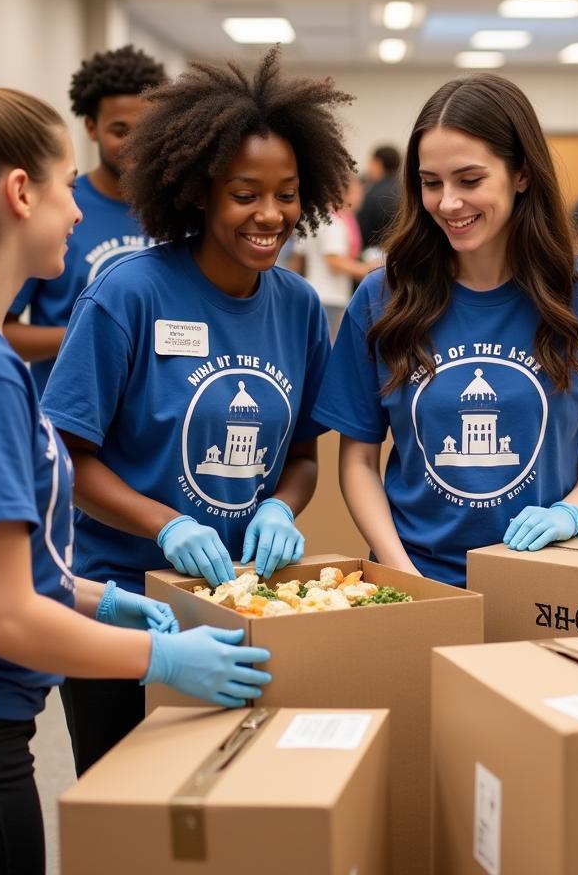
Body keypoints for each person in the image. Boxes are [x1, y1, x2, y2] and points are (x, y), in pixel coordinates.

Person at [0, 56, 270, 873]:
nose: (77, 213)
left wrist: (103, 598)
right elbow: (3, 615)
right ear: (20, 194)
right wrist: (162, 660)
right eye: (63, 189)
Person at [40, 48, 352, 775]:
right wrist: (166, 522)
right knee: (128, 811)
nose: (270, 215)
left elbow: (304, 456)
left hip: (238, 603)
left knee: (226, 813)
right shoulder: (129, 293)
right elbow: (63, 458)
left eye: (286, 193)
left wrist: (281, 507)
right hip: (124, 604)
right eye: (246, 193)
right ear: (199, 192)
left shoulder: (300, 307)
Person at [312, 74, 578, 587]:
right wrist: (400, 571)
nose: (449, 203)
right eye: (431, 183)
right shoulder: (383, 296)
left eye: (470, 180)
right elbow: (359, 459)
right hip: (413, 577)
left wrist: (569, 512)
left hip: (540, 579)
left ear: (521, 173)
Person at [3, 45, 166, 394]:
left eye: (146, 130)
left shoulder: (181, 212)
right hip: (67, 415)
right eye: (120, 131)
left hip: (153, 422)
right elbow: (2, 330)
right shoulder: (58, 209)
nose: (135, 144)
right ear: (91, 127)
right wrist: (98, 333)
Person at [291, 172, 379, 337]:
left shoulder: (316, 219)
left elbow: (297, 259)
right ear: (342, 194)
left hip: (315, 293)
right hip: (330, 298)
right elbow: (334, 261)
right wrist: (371, 270)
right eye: (357, 191)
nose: (361, 197)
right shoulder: (335, 223)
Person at [357, 143, 401, 251]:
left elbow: (362, 231)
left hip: (377, 254)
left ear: (378, 164)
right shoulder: (407, 189)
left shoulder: (371, 194)